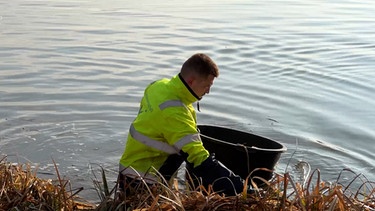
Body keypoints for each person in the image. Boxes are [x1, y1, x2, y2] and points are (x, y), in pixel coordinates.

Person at [119, 53, 247, 196]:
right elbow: (199, 159)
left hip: (129, 169)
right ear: (191, 81)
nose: (208, 91)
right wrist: (242, 188)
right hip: (144, 181)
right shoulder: (174, 112)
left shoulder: (159, 86)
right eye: (206, 86)